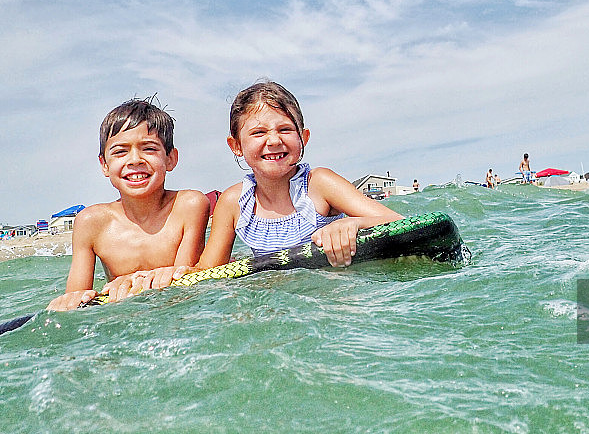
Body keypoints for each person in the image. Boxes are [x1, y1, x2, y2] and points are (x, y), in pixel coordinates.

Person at [158, 81, 402, 281]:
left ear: (303, 137)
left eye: (285, 129)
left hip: (333, 297)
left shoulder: (319, 184)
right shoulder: (234, 202)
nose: (274, 140)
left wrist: (352, 225)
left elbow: (398, 222)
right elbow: (208, 272)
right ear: (237, 146)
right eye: (258, 132)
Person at [47, 99, 210, 311]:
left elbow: (183, 282)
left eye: (149, 149)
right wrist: (66, 303)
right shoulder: (91, 222)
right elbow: (77, 298)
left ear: (171, 158)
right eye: (120, 152)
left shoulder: (189, 205)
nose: (134, 160)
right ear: (104, 165)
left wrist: (132, 280)